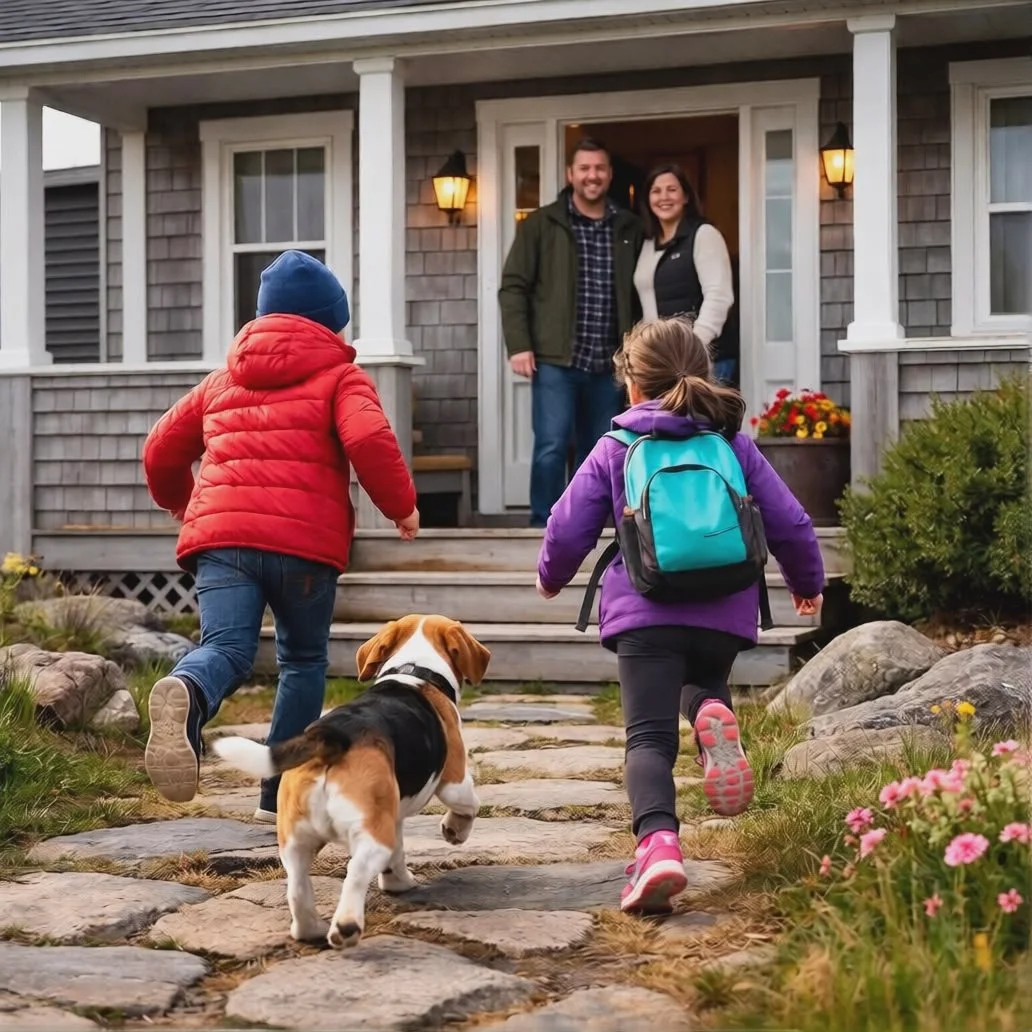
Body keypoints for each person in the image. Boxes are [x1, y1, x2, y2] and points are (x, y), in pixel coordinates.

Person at [534, 316, 824, 914]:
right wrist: (807, 584)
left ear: (632, 386)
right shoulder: (732, 444)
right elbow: (791, 520)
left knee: (647, 737)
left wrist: (551, 576)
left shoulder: (616, 447)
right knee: (701, 680)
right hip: (724, 610)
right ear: (703, 374)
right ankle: (710, 707)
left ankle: (659, 845)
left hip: (645, 611)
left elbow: (567, 527)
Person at [141, 249, 419, 821]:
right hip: (303, 549)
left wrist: (181, 501)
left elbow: (159, 449)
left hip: (221, 539)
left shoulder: (221, 381)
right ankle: (280, 795)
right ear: (329, 320)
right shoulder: (343, 374)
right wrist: (401, 507)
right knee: (301, 660)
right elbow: (368, 440)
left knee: (226, 648)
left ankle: (189, 692)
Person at [498, 138, 644, 528]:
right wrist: (520, 344)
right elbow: (513, 285)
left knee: (601, 450)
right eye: (584, 168)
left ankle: (585, 525)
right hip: (555, 360)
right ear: (571, 174)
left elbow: (643, 288)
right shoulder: (541, 224)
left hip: (610, 362)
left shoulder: (629, 226)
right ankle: (541, 526)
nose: (592, 176)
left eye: (599, 168)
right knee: (551, 446)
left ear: (609, 174)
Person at [633, 164, 738, 384]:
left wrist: (694, 347)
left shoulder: (704, 235)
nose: (664, 197)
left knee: (698, 419)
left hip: (704, 361)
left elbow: (719, 296)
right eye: (656, 191)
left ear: (686, 196)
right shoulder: (647, 244)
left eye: (672, 189)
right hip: (666, 362)